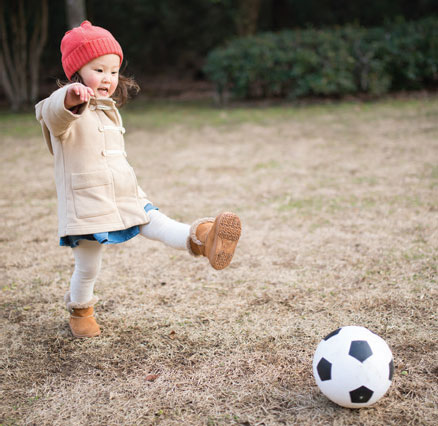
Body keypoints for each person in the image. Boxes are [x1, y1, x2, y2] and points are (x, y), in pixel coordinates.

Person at [35, 21, 241, 339]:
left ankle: (205, 237)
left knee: (158, 223)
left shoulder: (108, 111)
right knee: (88, 265)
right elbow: (52, 114)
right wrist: (69, 97)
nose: (108, 78)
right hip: (89, 203)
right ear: (76, 72)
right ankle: (80, 309)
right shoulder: (64, 109)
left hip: (125, 193)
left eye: (114, 71)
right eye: (98, 70)